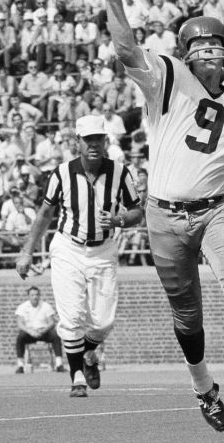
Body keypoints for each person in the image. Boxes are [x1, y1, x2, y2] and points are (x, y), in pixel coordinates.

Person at [101, 0, 224, 431]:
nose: (210, 51)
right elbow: (126, 50)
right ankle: (203, 387)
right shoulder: (166, 78)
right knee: (187, 317)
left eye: (217, 43)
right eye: (200, 45)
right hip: (162, 216)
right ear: (184, 53)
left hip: (215, 210)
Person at [14, 114, 143, 397]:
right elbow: (45, 213)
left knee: (103, 322)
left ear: (106, 140)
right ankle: (76, 377)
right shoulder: (61, 173)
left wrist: (120, 220)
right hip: (68, 248)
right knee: (71, 318)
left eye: (98, 139)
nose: (93, 144)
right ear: (78, 143)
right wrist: (27, 251)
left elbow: (137, 211)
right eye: (88, 140)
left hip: (103, 249)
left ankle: (87, 354)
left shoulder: (120, 173)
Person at [13, 286, 65, 373]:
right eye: (32, 295)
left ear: (39, 295)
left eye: (37, 295)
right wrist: (30, 331)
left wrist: (43, 330)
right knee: (20, 337)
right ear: (28, 296)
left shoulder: (46, 306)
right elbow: (20, 324)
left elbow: (51, 322)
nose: (35, 297)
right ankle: (20, 365)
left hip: (44, 332)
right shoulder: (22, 307)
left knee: (55, 335)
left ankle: (59, 364)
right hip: (29, 332)